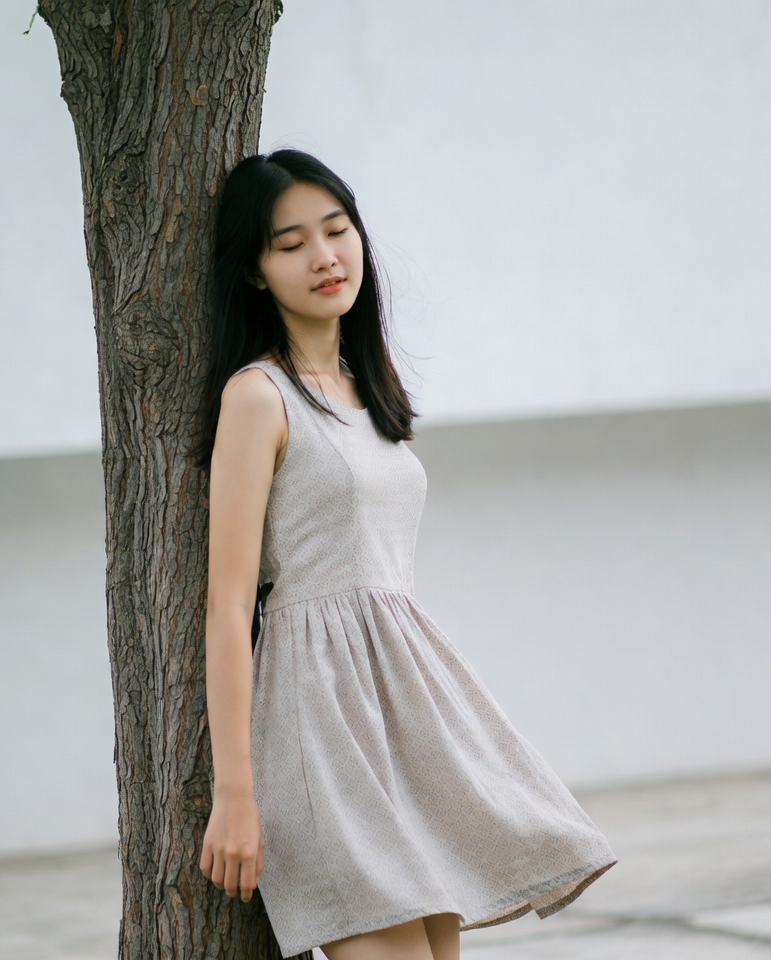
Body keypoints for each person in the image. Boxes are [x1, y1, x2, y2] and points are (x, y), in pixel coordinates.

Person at [192, 149, 616, 960]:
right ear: (254, 272)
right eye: (290, 244)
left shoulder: (360, 389)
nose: (323, 256)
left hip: (400, 710)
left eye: (337, 230)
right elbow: (228, 602)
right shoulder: (257, 396)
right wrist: (235, 794)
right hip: (320, 717)